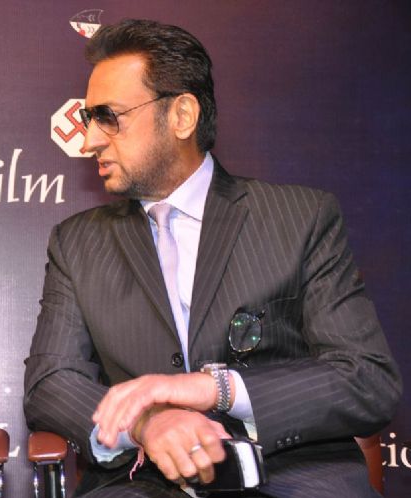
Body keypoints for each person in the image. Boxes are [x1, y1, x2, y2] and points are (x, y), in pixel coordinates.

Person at [23, 19, 401, 498]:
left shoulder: (300, 218)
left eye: (109, 117)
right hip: (142, 481)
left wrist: (216, 390)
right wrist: (145, 422)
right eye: (88, 119)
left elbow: (367, 379)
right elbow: (51, 382)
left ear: (182, 115)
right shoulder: (77, 243)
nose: (90, 140)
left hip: (291, 476)